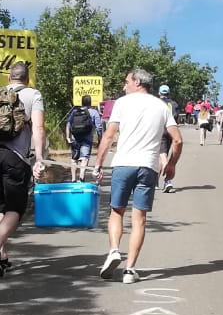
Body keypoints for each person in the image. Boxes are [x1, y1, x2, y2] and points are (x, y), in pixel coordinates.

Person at [92, 69, 181, 284]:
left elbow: (110, 134)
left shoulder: (122, 103)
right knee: (139, 218)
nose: (124, 86)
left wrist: (98, 163)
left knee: (116, 211)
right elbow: (177, 140)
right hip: (148, 166)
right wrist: (171, 165)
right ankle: (130, 270)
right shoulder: (162, 106)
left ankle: (114, 250)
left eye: (126, 82)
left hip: (123, 163)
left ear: (138, 82)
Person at [0, 60, 45, 278]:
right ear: (27, 79)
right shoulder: (33, 95)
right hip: (15, 157)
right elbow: (38, 127)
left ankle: (2, 258)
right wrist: (39, 157)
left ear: (9, 77)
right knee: (15, 208)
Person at [65, 94, 102, 182]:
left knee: (74, 158)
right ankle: (81, 177)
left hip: (75, 138)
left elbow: (68, 124)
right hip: (87, 139)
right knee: (84, 158)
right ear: (90, 102)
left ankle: (73, 179)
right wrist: (100, 139)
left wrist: (67, 137)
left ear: (81, 102)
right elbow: (99, 127)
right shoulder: (94, 112)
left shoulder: (74, 111)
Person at [158, 84, 178, 192]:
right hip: (171, 131)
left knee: (162, 156)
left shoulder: (156, 103)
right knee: (163, 155)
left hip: (160, 130)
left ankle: (168, 181)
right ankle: (156, 182)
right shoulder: (173, 104)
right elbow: (175, 117)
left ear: (159, 93)